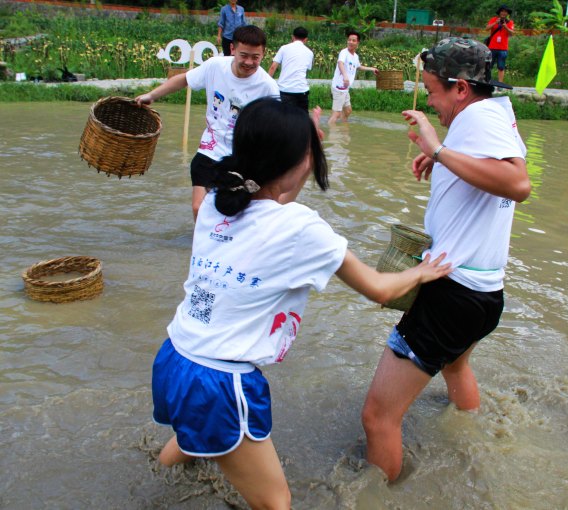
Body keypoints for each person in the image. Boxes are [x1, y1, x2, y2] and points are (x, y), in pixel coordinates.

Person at [151, 97, 452, 509]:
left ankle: (151, 489)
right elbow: (381, 289)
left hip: (176, 355)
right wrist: (421, 272)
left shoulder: (215, 204)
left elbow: (267, 209)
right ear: (302, 159)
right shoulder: (301, 227)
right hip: (220, 381)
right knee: (277, 503)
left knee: (191, 440)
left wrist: (298, 143)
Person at [361, 37, 531, 482]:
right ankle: (474, 440)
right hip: (484, 294)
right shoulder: (493, 113)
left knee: (378, 418)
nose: (431, 101)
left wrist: (437, 149)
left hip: (452, 297)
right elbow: (490, 175)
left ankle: (382, 494)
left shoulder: (475, 118)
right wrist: (445, 164)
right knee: (456, 365)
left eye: (432, 90)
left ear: (460, 88)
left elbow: (518, 183)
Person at [135, 26, 279, 221]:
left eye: (256, 57)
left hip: (241, 157)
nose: (249, 62)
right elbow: (183, 80)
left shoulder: (267, 86)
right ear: (232, 49)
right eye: (244, 55)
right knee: (199, 209)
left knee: (235, 215)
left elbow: (275, 128)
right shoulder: (215, 66)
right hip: (210, 149)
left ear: (263, 54)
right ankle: (201, 247)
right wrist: (151, 95)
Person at [328, 30, 379, 125]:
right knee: (337, 114)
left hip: (345, 88)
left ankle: (343, 128)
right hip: (339, 87)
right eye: (349, 40)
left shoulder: (355, 56)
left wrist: (372, 69)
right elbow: (340, 63)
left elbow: (358, 66)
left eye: (353, 40)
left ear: (357, 43)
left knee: (348, 110)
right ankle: (332, 134)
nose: (350, 42)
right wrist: (345, 76)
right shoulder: (344, 52)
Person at [268, 26, 314, 112]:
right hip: (302, 91)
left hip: (285, 90)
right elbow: (307, 69)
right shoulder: (309, 52)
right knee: (302, 120)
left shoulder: (284, 48)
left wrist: (266, 83)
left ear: (292, 37)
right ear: (305, 39)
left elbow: (273, 67)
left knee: (284, 119)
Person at [485, 4, 514, 83]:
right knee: (489, 66)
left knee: (501, 67)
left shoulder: (510, 22)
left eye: (505, 12)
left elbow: (512, 33)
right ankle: (487, 81)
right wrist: (495, 23)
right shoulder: (494, 19)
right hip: (492, 47)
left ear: (507, 13)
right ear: (499, 12)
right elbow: (487, 28)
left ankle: (500, 83)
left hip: (503, 48)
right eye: (502, 11)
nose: (503, 13)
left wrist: (505, 27)